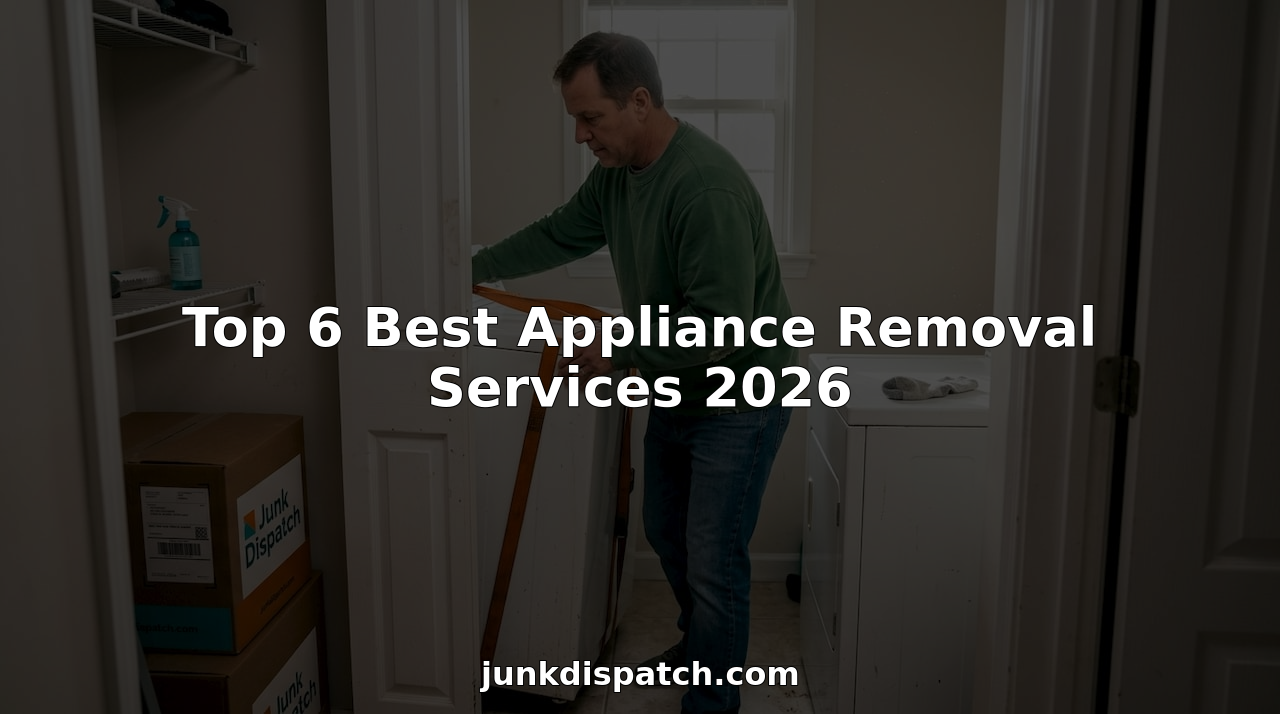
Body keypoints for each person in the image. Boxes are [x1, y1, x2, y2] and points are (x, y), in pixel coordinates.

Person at [471, 31, 795, 714]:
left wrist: (621, 347)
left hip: (741, 396)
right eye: (576, 120)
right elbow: (559, 233)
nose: (582, 136)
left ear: (640, 102)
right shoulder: (617, 177)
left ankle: (711, 702)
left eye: (592, 118)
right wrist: (466, 268)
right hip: (680, 385)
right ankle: (701, 646)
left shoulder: (704, 188)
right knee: (666, 532)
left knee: (713, 560)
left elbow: (723, 326)